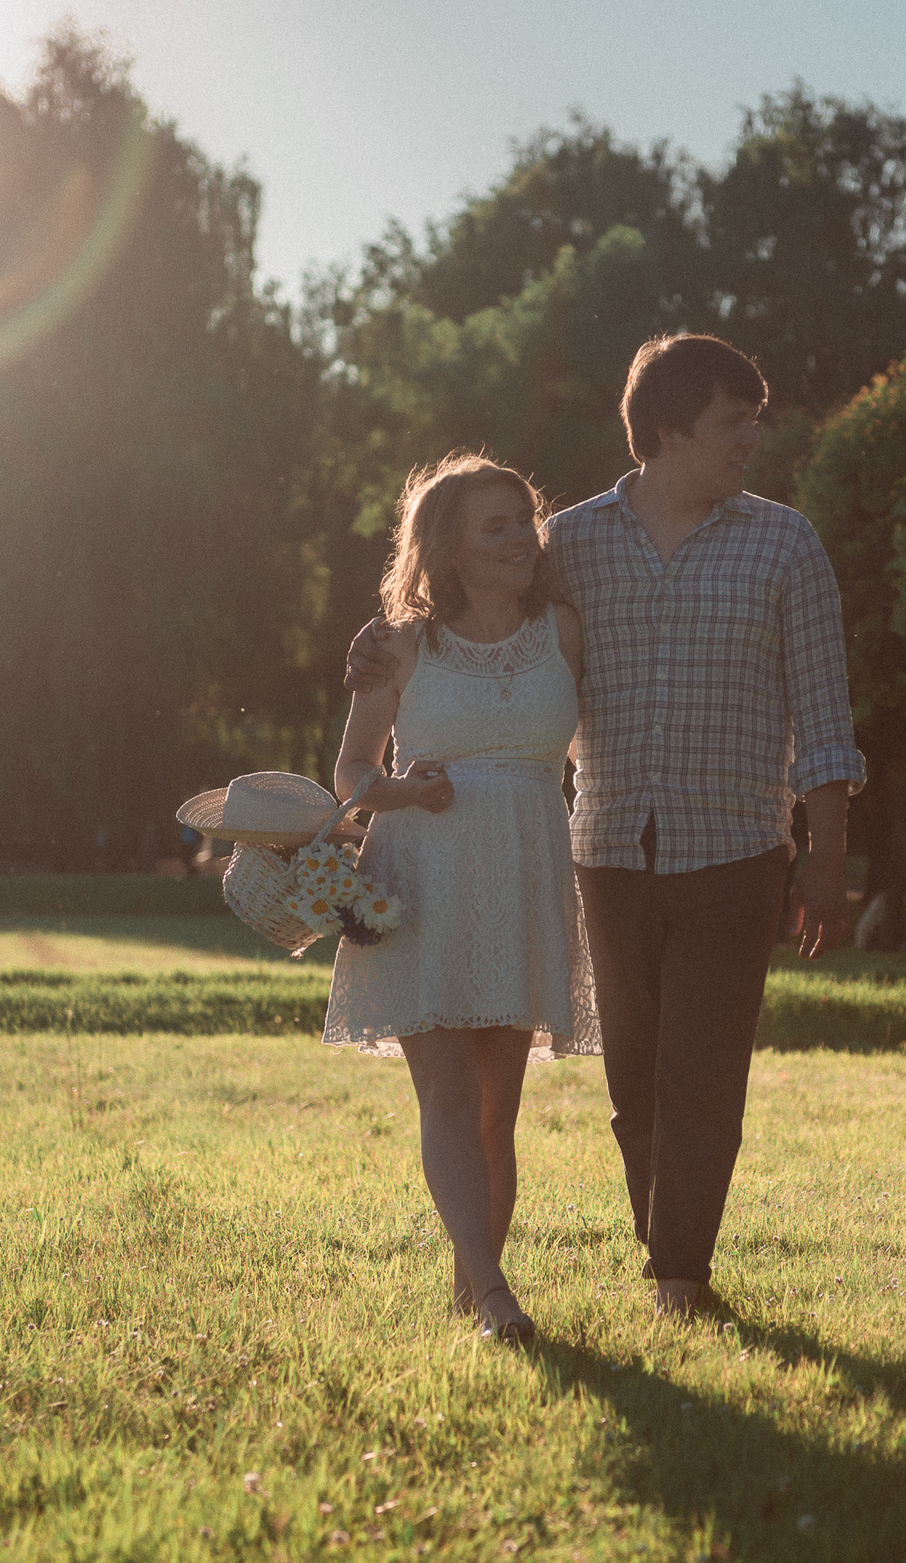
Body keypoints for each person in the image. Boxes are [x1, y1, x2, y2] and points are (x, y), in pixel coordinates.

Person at [350, 334, 865, 1319]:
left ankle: (679, 1271)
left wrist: (827, 855)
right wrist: (383, 639)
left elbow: (825, 711)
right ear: (668, 432)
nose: (750, 439)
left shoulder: (784, 542)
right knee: (633, 1078)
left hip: (737, 842)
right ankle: (651, 1240)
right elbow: (470, 623)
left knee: (703, 1067)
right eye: (732, 422)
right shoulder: (573, 542)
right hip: (606, 845)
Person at [329, 453, 597, 1347]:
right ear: (447, 545)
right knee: (446, 1090)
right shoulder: (401, 642)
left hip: (523, 871)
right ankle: (494, 1294)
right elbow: (352, 772)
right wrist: (407, 792)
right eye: (497, 526)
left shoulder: (561, 628)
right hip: (425, 874)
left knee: (497, 1108)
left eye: (525, 520)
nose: (521, 537)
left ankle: (468, 1288)